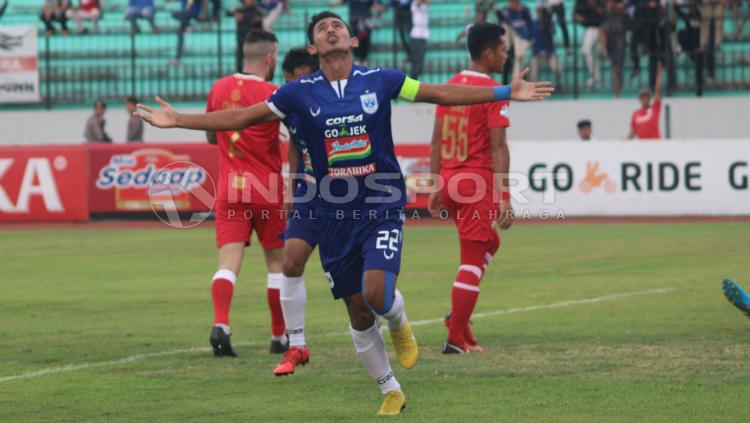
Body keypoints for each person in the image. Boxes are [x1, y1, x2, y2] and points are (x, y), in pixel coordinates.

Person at [135, 11, 553, 414]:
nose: (331, 29)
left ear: (352, 40)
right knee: (355, 308)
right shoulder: (299, 92)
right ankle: (390, 390)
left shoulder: (381, 79)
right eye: (322, 28)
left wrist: (504, 91)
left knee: (376, 295)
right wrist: (179, 120)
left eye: (338, 25)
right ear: (314, 47)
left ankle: (399, 319)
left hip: (380, 203)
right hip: (331, 214)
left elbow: (438, 93)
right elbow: (243, 116)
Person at [428, 22, 513, 354]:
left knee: (491, 242)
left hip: (450, 181)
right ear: (489, 53)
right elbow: (499, 149)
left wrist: (434, 185)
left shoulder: (449, 87)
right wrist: (505, 197)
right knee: (472, 259)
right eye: (503, 50)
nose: (506, 56)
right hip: (476, 183)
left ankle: (458, 316)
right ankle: (455, 337)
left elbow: (435, 141)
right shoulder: (493, 91)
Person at [203, 29, 288, 357]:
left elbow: (211, 136)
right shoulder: (273, 92)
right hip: (265, 189)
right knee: (276, 264)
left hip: (229, 188)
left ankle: (221, 324)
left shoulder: (218, 87)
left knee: (228, 263)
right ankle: (279, 337)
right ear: (270, 57)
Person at [272, 48, 320, 376]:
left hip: (348, 197)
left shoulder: (334, 98)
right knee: (290, 261)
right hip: (309, 194)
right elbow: (293, 143)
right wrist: (291, 187)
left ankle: (394, 321)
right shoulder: (289, 106)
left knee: (362, 290)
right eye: (293, 79)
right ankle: (297, 345)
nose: (299, 85)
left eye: (304, 77)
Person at [329, 0, 386, 66]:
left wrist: (381, 10)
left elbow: (377, 6)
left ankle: (364, 61)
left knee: (365, 42)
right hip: (355, 24)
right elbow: (340, 2)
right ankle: (357, 60)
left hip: (366, 24)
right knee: (356, 41)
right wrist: (331, 4)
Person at [498, 0, 533, 78]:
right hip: (511, 43)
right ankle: (506, 47)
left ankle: (517, 80)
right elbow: (501, 19)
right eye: (510, 2)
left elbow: (530, 24)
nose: (511, 3)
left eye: (513, 2)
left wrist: (530, 38)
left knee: (519, 59)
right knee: (504, 26)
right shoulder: (506, 11)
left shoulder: (524, 10)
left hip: (523, 39)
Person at [628, 62, 662, 140]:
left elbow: (658, 91)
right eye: (642, 97)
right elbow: (633, 131)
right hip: (643, 146)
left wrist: (659, 75)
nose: (644, 99)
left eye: (646, 96)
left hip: (655, 144)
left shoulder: (654, 109)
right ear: (640, 99)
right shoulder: (636, 113)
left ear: (649, 98)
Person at [574, 0, 604, 88]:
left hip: (600, 28)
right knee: (587, 51)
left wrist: (594, 5)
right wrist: (577, 18)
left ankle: (596, 77)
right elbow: (575, 14)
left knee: (588, 51)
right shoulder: (580, 2)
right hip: (588, 28)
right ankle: (595, 76)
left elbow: (603, 12)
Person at [229, 0, 265, 72]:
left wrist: (260, 18)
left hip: (255, 41)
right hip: (242, 40)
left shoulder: (257, 10)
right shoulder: (239, 10)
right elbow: (228, 12)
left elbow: (266, 13)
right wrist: (235, 14)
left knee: (256, 61)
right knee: (239, 61)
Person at [530, 6, 562, 87]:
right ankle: (533, 88)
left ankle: (558, 85)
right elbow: (530, 37)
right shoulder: (533, 23)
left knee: (557, 69)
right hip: (537, 53)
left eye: (542, 12)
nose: (540, 13)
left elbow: (553, 32)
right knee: (532, 71)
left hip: (549, 52)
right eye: (539, 11)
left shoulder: (549, 22)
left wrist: (547, 23)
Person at [170, 0, 202, 65]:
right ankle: (177, 58)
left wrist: (188, 6)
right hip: (185, 15)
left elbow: (190, 3)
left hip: (190, 12)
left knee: (174, 14)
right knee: (180, 35)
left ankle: (189, 26)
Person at [605, 0, 626, 97]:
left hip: (619, 40)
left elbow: (623, 9)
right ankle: (617, 89)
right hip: (610, 39)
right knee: (615, 67)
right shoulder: (607, 10)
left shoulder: (621, 8)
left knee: (617, 67)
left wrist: (616, 6)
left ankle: (618, 90)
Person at [409, 0, 429, 79]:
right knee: (416, 62)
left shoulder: (424, 5)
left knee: (420, 62)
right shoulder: (415, 3)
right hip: (416, 36)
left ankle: (415, 80)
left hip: (423, 36)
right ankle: (413, 80)